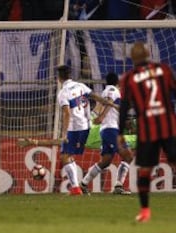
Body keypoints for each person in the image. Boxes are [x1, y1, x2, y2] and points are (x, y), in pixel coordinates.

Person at [25, 65, 118, 195]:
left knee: (65, 156)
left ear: (59, 78)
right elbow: (97, 98)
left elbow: (67, 113)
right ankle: (78, 186)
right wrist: (112, 104)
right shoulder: (81, 86)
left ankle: (76, 188)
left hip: (75, 128)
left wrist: (64, 133)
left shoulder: (63, 93)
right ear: (70, 75)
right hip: (87, 126)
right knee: (68, 156)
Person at [118, 42, 176, 222]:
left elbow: (124, 108)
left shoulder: (129, 78)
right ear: (148, 54)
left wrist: (120, 134)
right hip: (169, 126)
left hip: (147, 130)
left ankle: (144, 212)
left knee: (145, 171)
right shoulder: (164, 69)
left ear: (132, 59)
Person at [79, 72, 134, 195]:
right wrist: (102, 116)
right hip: (110, 129)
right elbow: (109, 101)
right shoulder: (113, 90)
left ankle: (83, 184)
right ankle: (118, 186)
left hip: (108, 129)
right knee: (128, 156)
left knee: (106, 160)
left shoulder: (106, 90)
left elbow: (104, 105)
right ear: (117, 82)